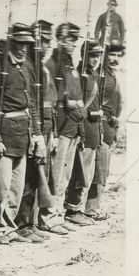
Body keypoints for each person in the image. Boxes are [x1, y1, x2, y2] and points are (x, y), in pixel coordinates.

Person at [0, 23, 45, 244]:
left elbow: (32, 104)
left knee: (16, 187)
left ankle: (9, 227)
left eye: (27, 45)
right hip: (5, 133)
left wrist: (37, 136)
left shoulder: (26, 68)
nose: (22, 49)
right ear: (11, 43)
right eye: (19, 44)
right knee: (0, 186)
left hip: (23, 134)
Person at [14, 20, 66, 241]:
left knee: (39, 178)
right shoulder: (26, 67)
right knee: (28, 177)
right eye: (42, 41)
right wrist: (36, 133)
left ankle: (33, 222)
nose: (45, 46)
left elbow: (50, 105)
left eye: (47, 41)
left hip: (45, 127)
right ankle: (23, 223)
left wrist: (51, 132)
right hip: (31, 130)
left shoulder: (41, 67)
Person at [46, 22, 85, 231]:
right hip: (60, 127)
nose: (72, 44)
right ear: (59, 39)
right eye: (68, 39)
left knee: (66, 174)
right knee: (55, 173)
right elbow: (52, 100)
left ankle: (59, 213)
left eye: (73, 40)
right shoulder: (52, 64)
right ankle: (49, 216)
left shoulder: (71, 65)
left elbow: (76, 94)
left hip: (72, 127)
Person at [64, 39, 105, 224]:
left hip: (94, 129)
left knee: (87, 171)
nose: (95, 59)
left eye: (98, 56)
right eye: (92, 55)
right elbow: (77, 104)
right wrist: (93, 114)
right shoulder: (81, 75)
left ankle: (77, 207)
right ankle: (73, 210)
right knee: (79, 172)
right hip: (85, 128)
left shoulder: (93, 74)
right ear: (84, 56)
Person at [84, 40, 124, 219]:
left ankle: (93, 207)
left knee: (103, 169)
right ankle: (91, 209)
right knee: (99, 169)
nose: (115, 59)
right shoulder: (103, 77)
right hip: (100, 125)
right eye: (112, 55)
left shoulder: (112, 75)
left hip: (109, 127)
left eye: (118, 55)